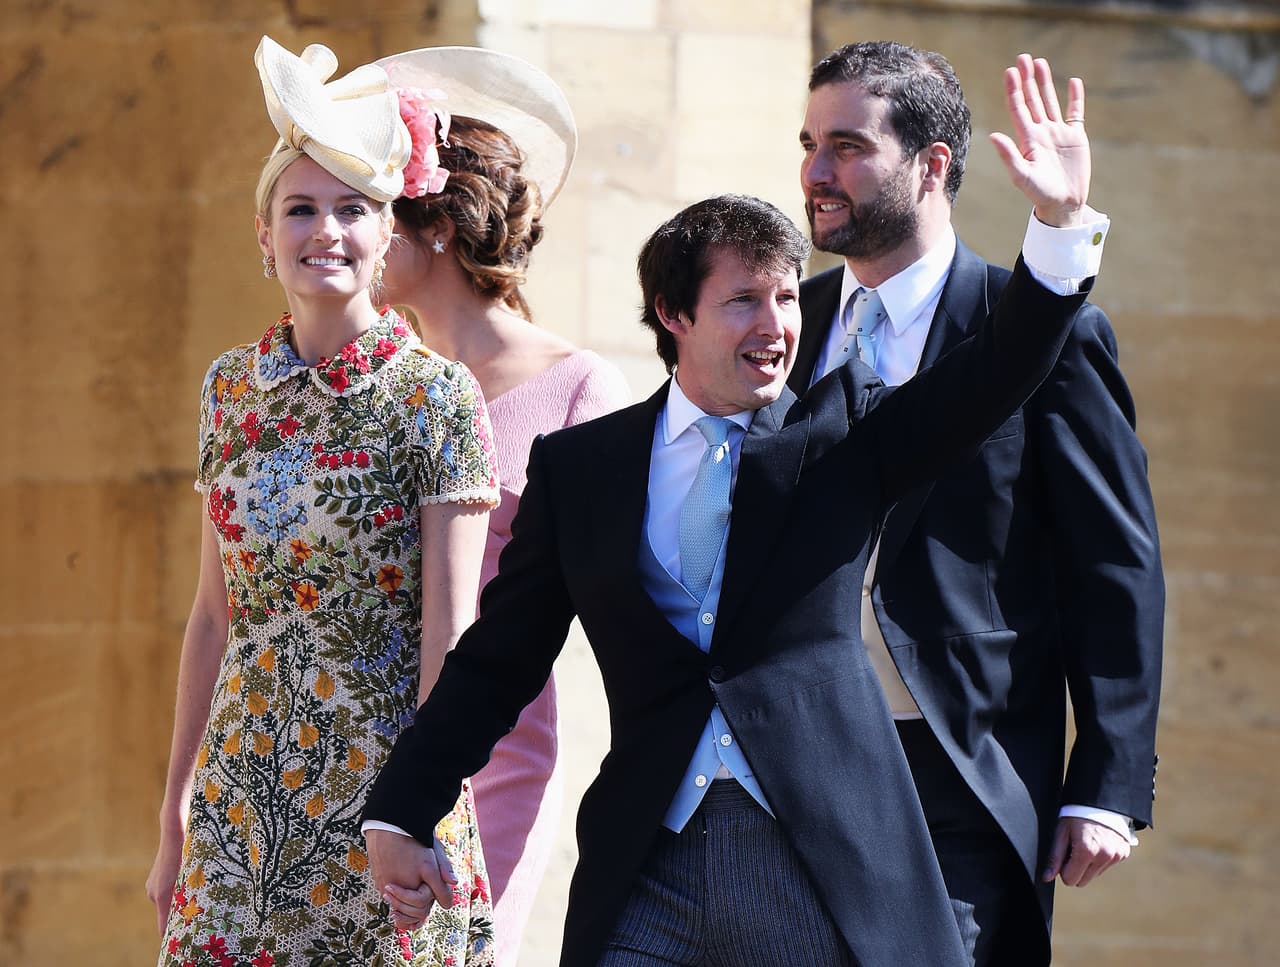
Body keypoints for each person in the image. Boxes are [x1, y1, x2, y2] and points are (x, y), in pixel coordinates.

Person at [362, 56, 1110, 967]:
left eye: (788, 296)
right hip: (649, 871)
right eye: (745, 300)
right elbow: (499, 658)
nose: (778, 325)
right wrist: (404, 806)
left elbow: (992, 374)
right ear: (673, 313)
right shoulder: (584, 469)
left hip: (818, 870)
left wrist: (1059, 229)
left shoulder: (843, 441)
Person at [790, 42, 1164, 965]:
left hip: (961, 763)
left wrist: (1107, 780)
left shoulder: (1044, 330)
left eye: (847, 146)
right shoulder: (780, 327)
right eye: (808, 143)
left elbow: (1112, 560)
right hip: (790, 759)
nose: (815, 171)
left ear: (931, 165)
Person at [144, 37, 499, 966]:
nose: (325, 231)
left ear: (387, 234)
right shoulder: (230, 389)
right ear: (264, 236)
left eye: (352, 209)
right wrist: (175, 811)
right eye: (300, 209)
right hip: (237, 813)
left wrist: (417, 811)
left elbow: (450, 635)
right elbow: (213, 616)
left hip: (384, 805)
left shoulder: (437, 396)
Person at [371, 46, 630, 966]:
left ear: (436, 225)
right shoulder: (373, 381)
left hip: (491, 758)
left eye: (374, 210)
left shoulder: (577, 386)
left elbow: (625, 602)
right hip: (347, 726)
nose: (354, 235)